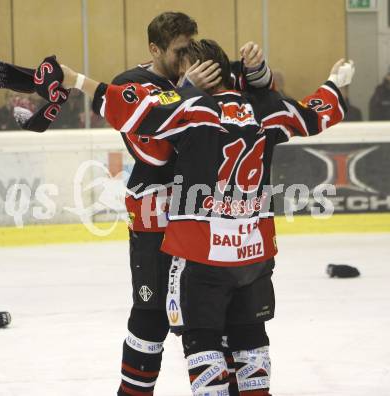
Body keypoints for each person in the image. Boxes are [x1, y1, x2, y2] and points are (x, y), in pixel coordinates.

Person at [60, 39, 353, 395]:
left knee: (202, 342)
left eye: (185, 72)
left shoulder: (194, 108)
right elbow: (315, 115)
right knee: (250, 343)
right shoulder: (265, 108)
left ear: (203, 73)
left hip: (202, 255)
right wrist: (336, 84)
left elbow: (130, 112)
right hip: (253, 255)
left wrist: (75, 79)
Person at [104, 11, 272, 396]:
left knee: (217, 321)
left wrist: (257, 69)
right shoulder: (134, 83)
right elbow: (157, 155)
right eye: (179, 51)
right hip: (156, 223)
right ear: (155, 49)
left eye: (190, 49)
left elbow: (256, 96)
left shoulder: (199, 70)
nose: (186, 59)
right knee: (151, 318)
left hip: (204, 224)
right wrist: (187, 93)